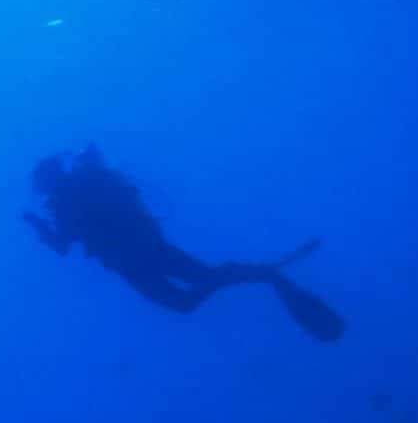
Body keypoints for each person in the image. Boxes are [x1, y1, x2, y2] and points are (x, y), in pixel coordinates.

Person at [24, 145, 345, 341]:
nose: (43, 193)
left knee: (183, 304)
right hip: (152, 247)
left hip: (131, 262)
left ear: (48, 183)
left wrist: (38, 225)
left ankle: (242, 275)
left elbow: (62, 247)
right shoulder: (91, 180)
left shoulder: (65, 203)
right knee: (194, 292)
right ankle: (252, 274)